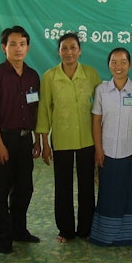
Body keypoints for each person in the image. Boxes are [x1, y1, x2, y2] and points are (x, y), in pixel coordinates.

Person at [36, 32, 102, 243]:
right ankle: (65, 230)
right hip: (62, 140)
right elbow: (44, 111)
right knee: (62, 186)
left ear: (80, 50)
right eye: (64, 48)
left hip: (87, 140)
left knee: (86, 186)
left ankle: (86, 229)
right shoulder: (49, 77)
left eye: (73, 47)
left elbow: (102, 106)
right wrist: (44, 143)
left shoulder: (91, 74)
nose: (69, 52)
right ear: (59, 51)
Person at [0, 25, 41, 254]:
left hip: (25, 140)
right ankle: (4, 238)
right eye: (13, 44)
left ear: (27, 47)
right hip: (4, 139)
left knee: (24, 188)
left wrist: (37, 139)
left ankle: (19, 230)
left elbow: (35, 109)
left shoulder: (32, 75)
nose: (18, 49)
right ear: (4, 47)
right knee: (0, 191)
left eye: (23, 44)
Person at [90, 48, 132, 246]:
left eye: (123, 62)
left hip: (131, 152)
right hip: (107, 153)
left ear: (129, 65)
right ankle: (105, 235)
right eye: (114, 62)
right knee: (107, 192)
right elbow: (96, 121)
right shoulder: (101, 90)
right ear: (108, 65)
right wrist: (98, 148)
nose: (118, 66)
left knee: (131, 192)